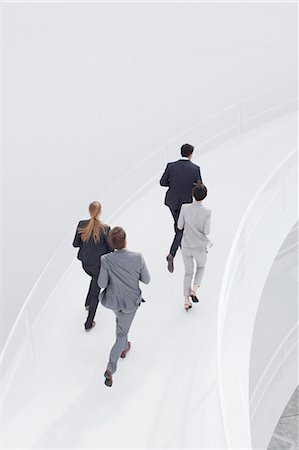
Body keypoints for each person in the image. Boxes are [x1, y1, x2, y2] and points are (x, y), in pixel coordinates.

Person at [98, 226, 150, 387]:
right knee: (121, 335)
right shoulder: (137, 257)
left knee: (120, 324)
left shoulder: (106, 259)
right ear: (125, 240)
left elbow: (101, 283)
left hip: (114, 301)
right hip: (130, 303)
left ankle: (125, 346)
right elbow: (146, 280)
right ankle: (110, 368)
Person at [160, 143, 202, 273]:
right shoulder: (195, 168)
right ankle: (172, 254)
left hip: (172, 201)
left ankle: (181, 246)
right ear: (190, 154)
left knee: (178, 224)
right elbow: (199, 187)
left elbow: (162, 182)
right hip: (186, 202)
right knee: (180, 229)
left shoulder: (171, 166)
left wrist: (173, 184)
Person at [73, 201, 113, 331]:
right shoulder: (105, 228)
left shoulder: (81, 224)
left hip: (85, 264)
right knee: (96, 293)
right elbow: (111, 249)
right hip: (98, 266)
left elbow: (75, 244)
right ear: (100, 212)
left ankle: (87, 303)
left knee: (94, 280)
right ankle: (88, 323)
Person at [177, 183, 211, 311]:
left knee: (188, 273)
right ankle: (194, 290)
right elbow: (206, 231)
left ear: (192, 194)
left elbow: (180, 226)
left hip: (186, 245)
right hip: (199, 247)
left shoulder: (184, 208)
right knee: (201, 267)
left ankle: (186, 301)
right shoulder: (207, 212)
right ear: (205, 196)